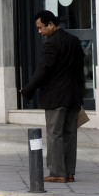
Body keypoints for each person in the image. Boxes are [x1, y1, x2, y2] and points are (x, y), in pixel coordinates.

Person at [21, 10, 84, 184]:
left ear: (51, 24)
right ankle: (69, 172)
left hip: (56, 97)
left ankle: (57, 172)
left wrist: (28, 90)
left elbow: (43, 70)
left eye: (41, 28)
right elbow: (81, 70)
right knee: (70, 134)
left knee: (55, 134)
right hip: (73, 97)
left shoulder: (51, 44)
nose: (40, 32)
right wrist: (80, 95)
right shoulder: (74, 41)